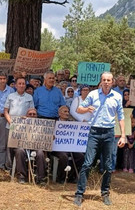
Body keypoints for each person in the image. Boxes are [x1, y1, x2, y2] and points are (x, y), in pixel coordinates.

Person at [73, 72, 125, 207]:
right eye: (104, 80)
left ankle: (105, 193)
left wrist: (123, 135)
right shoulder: (93, 94)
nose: (106, 82)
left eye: (109, 80)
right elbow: (79, 109)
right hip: (94, 132)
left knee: (108, 165)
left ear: (112, 82)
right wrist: (86, 109)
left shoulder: (118, 97)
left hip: (109, 133)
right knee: (87, 163)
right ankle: (79, 194)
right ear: (100, 81)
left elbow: (121, 116)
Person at [52, 106, 84, 183]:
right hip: (57, 148)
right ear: (59, 114)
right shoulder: (54, 123)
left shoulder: (72, 123)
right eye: (65, 112)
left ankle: (70, 176)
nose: (67, 113)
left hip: (70, 147)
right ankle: (61, 178)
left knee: (80, 156)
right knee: (64, 157)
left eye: (68, 112)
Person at [0, 71, 15, 171]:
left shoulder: (11, 91)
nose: (2, 81)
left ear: (7, 79)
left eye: (4, 79)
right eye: (0, 78)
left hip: (5, 118)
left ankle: (1, 166)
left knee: (3, 143)